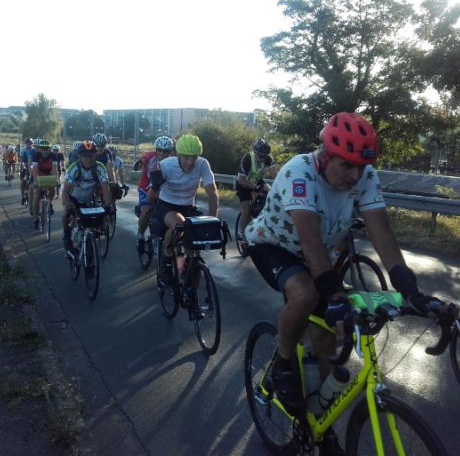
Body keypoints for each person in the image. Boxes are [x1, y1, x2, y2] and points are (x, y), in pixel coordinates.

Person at [245, 112, 438, 453]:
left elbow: (382, 234)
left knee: (327, 338)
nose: (355, 175)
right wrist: (334, 293)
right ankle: (283, 364)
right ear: (325, 155)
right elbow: (309, 240)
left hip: (318, 254)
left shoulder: (365, 176)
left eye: (361, 167)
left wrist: (409, 288)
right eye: (346, 165)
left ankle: (321, 425)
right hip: (274, 246)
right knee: (304, 294)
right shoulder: (299, 173)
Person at [149, 134, 219, 286]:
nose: (190, 162)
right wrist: (155, 185)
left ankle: (189, 267)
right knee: (179, 225)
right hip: (166, 205)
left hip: (188, 206)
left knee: (195, 240)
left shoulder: (202, 164)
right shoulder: (166, 165)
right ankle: (166, 260)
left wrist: (213, 219)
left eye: (194, 157)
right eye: (186, 157)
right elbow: (151, 197)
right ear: (178, 155)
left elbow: (212, 193)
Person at [61, 141, 112, 252]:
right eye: (85, 156)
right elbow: (65, 191)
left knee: (91, 224)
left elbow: (105, 189)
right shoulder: (74, 168)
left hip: (87, 199)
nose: (88, 160)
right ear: (79, 156)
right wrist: (68, 205)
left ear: (96, 156)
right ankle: (66, 236)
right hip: (72, 197)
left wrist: (108, 205)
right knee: (66, 215)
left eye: (91, 156)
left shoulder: (100, 168)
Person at [235, 138, 277, 246]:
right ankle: (244, 238)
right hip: (243, 184)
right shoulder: (247, 158)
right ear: (255, 152)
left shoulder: (268, 158)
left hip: (257, 181)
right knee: (246, 210)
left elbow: (276, 177)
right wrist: (255, 187)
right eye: (261, 156)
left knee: (271, 192)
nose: (263, 159)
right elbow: (241, 180)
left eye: (265, 156)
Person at [135, 136, 174, 254]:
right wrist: (140, 162)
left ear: (170, 151)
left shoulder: (174, 160)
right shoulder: (149, 157)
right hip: (146, 187)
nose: (162, 153)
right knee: (146, 210)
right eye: (159, 150)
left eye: (165, 151)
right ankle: (140, 235)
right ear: (156, 149)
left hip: (164, 189)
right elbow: (142, 160)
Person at [30, 140, 58, 229]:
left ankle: (50, 202)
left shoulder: (53, 156)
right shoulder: (36, 155)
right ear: (40, 149)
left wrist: (56, 180)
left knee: (53, 188)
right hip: (38, 175)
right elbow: (35, 169)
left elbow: (54, 169)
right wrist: (35, 181)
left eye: (47, 149)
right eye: (43, 149)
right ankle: (35, 218)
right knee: (36, 194)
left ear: (50, 149)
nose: (45, 151)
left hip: (48, 174)